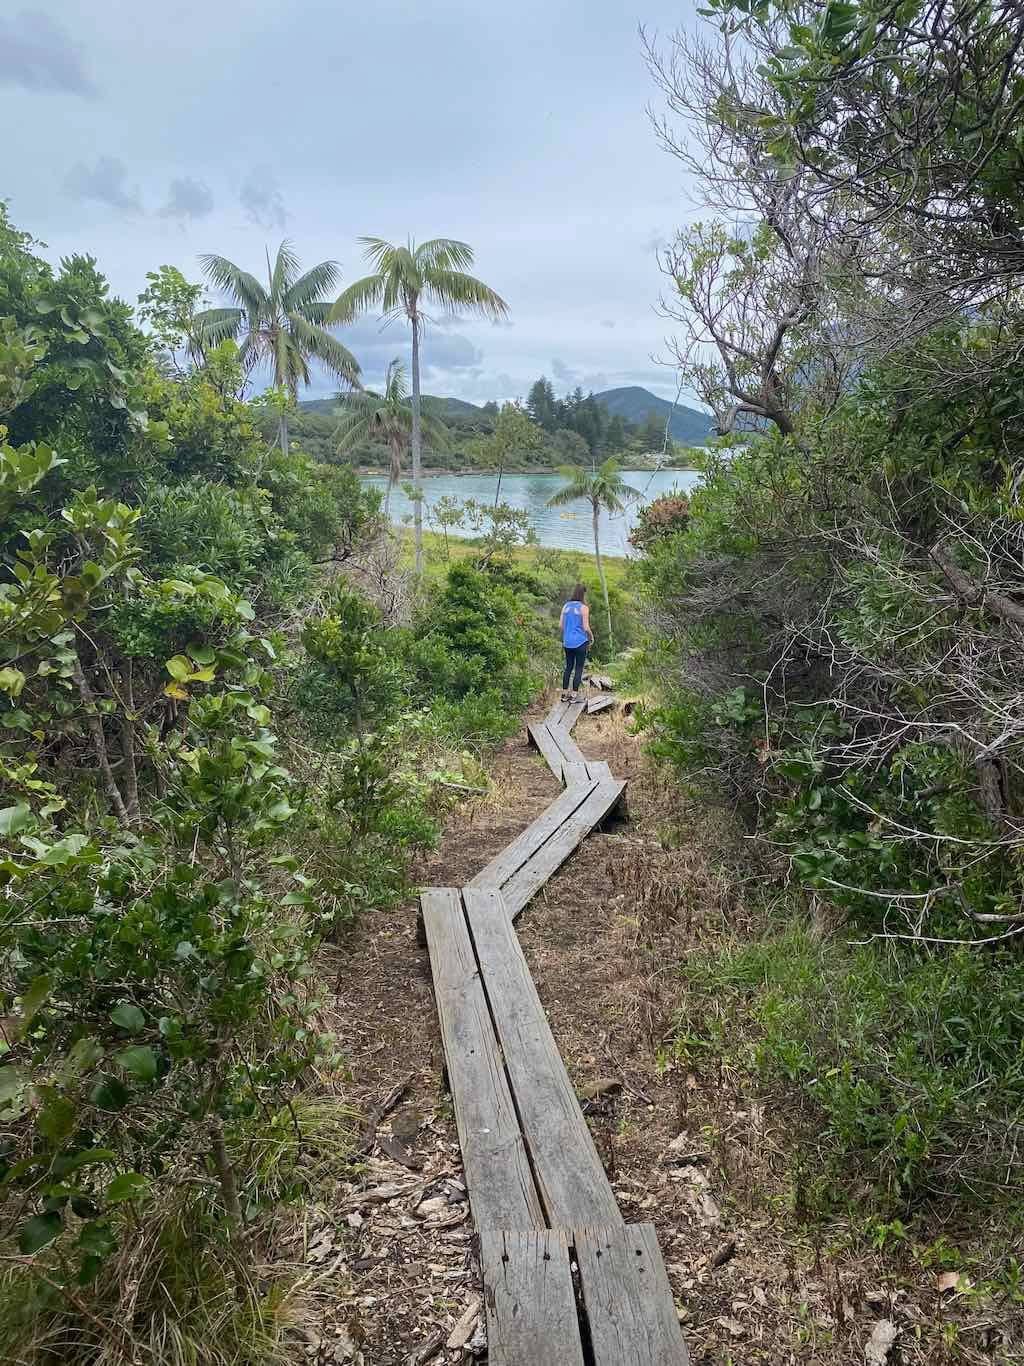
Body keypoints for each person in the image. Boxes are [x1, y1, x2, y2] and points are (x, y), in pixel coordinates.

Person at [559, 583, 593, 701]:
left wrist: (569, 632)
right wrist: (591, 637)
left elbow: (561, 626)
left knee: (568, 667)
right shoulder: (584, 608)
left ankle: (564, 694)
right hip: (580, 642)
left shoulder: (566, 606)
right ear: (583, 594)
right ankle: (574, 695)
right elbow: (585, 627)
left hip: (567, 642)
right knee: (578, 668)